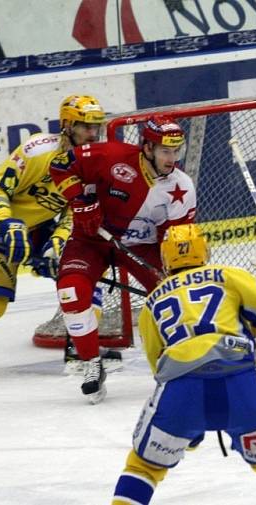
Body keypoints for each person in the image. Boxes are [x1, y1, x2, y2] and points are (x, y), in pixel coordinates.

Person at [111, 224, 256, 505]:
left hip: (180, 392)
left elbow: (158, 367)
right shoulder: (229, 276)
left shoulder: (152, 301)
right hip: (240, 382)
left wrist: (189, 425)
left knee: (144, 468)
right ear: (204, 251)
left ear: (164, 259)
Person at [0, 95, 106, 385]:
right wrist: (8, 223)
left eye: (96, 127)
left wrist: (58, 241)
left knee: (86, 277)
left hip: (41, 228)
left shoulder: (92, 163)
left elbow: (74, 211)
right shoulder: (38, 151)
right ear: (67, 125)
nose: (93, 134)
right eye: (86, 127)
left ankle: (81, 349)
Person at [49, 114, 196, 403]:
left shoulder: (181, 187)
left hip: (141, 246)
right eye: (166, 151)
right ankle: (92, 363)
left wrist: (173, 273)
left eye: (176, 151)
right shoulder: (112, 155)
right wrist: (80, 200)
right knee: (70, 292)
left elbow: (174, 239)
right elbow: (60, 165)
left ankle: (182, 355)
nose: (172, 158)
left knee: (175, 293)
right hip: (91, 240)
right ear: (148, 148)